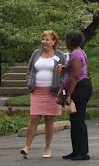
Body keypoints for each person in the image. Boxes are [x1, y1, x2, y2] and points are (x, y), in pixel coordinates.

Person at [21, 30, 66, 159]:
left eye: (47, 40)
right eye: (43, 39)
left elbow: (65, 72)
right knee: (34, 117)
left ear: (54, 42)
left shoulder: (60, 55)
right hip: (37, 90)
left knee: (49, 119)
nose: (44, 42)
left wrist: (61, 73)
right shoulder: (36, 53)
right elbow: (29, 70)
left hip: (52, 91)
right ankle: (27, 147)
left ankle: (47, 148)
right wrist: (29, 81)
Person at [61, 30, 93, 161]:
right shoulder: (77, 52)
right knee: (74, 120)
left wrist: (69, 95)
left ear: (70, 41)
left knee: (79, 120)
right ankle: (76, 150)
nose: (65, 42)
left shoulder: (76, 54)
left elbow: (75, 76)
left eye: (67, 39)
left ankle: (83, 152)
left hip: (80, 88)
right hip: (78, 87)